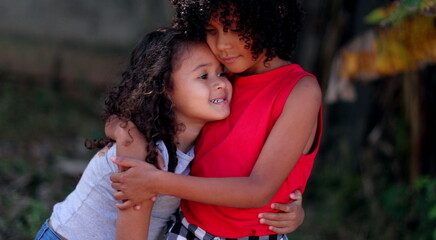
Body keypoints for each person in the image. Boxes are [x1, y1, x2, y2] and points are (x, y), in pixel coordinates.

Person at [35, 27, 302, 240]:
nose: (220, 83)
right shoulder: (139, 147)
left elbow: (241, 183)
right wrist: (121, 129)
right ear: (166, 89)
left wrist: (294, 211)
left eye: (221, 73)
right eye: (203, 76)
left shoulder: (204, 142)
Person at [109, 0, 322, 239]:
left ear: (273, 17)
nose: (222, 45)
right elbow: (141, 102)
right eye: (212, 31)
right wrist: (123, 131)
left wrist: (156, 181)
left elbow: (258, 190)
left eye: (236, 28)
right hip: (186, 229)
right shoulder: (216, 75)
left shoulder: (299, 91)